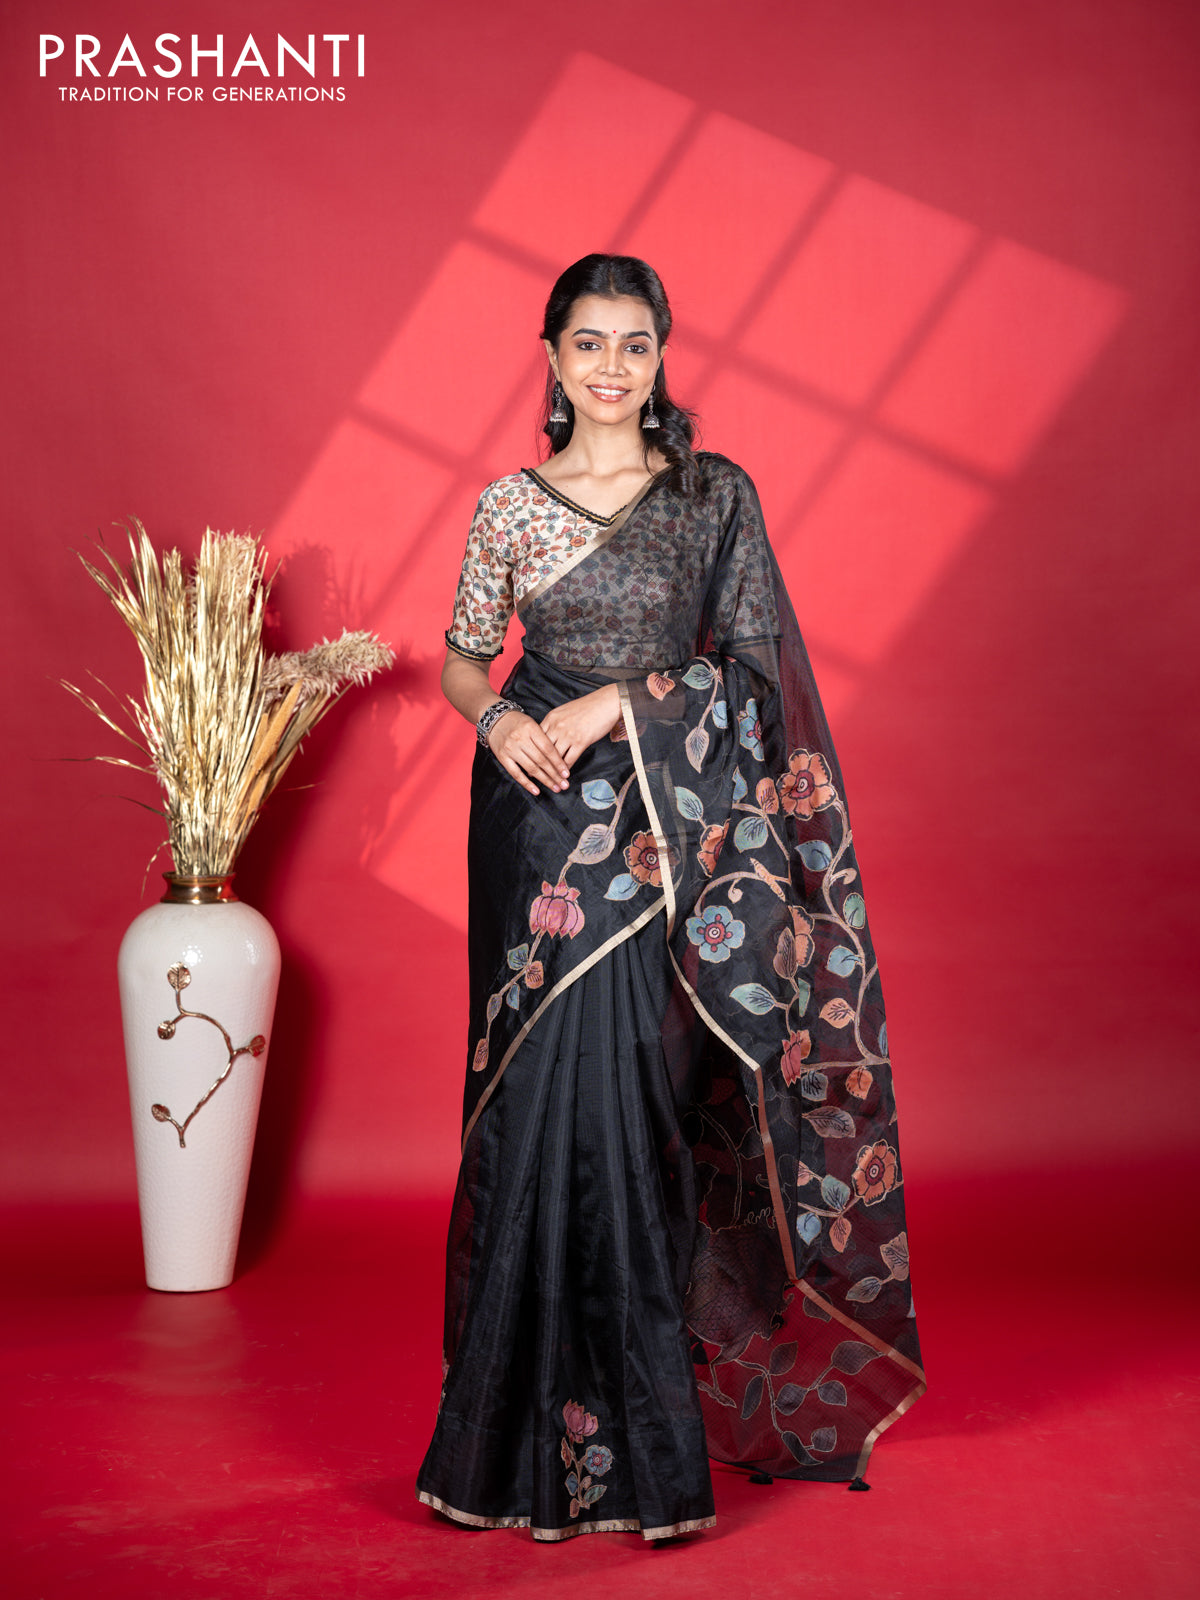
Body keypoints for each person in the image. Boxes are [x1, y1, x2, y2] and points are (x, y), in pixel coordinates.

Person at [416, 254, 925, 1542]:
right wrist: (494, 724)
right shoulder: (509, 508)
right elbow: (464, 661)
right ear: (551, 357)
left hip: (662, 828)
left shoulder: (712, 496)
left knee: (630, 1098)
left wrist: (618, 704)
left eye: (634, 345)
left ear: (661, 359)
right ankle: (495, 1445)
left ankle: (642, 1449)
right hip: (533, 823)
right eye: (588, 343)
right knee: (532, 1105)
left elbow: (755, 680)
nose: (611, 367)